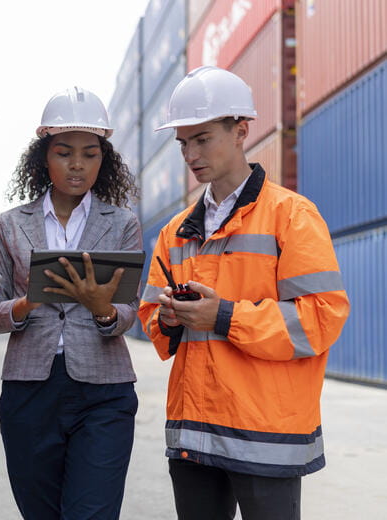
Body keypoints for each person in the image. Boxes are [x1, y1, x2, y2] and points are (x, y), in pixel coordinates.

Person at [138, 66, 351, 520]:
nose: (190, 154)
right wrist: (170, 319)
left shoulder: (291, 215)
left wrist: (223, 315)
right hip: (194, 431)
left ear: (240, 131)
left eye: (202, 138)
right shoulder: (176, 231)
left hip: (265, 434)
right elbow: (151, 320)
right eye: (182, 144)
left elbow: (321, 318)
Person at [0, 87, 142, 519]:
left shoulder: (123, 224)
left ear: (102, 160)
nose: (77, 164)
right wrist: (24, 306)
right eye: (64, 152)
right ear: (43, 158)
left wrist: (102, 309)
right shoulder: (12, 226)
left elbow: (129, 310)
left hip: (104, 391)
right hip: (29, 389)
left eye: (90, 154)